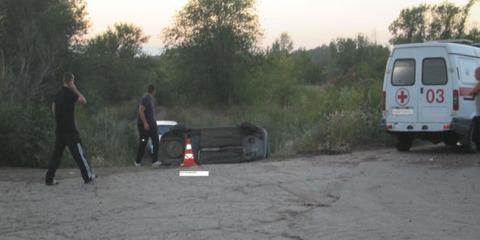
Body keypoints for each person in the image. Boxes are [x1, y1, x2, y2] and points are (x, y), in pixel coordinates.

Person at [45, 72, 95, 185]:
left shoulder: (58, 94)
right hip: (70, 130)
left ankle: (49, 178)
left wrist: (60, 118)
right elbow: (83, 100)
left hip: (60, 129)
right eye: (73, 81)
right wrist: (75, 89)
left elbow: (53, 108)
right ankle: (88, 176)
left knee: (56, 156)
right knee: (79, 154)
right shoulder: (70, 93)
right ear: (71, 81)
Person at [135, 85, 162, 168]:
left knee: (155, 141)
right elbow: (141, 110)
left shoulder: (151, 99)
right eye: (155, 91)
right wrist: (145, 123)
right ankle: (138, 161)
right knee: (144, 142)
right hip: (145, 125)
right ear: (153, 91)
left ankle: (154, 161)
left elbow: (151, 113)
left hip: (151, 125)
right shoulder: (146, 98)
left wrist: (155, 123)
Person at [469, 67, 480, 148]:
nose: (474, 75)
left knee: (476, 134)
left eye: (475, 73)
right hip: (478, 113)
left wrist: (473, 92)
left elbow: (472, 92)